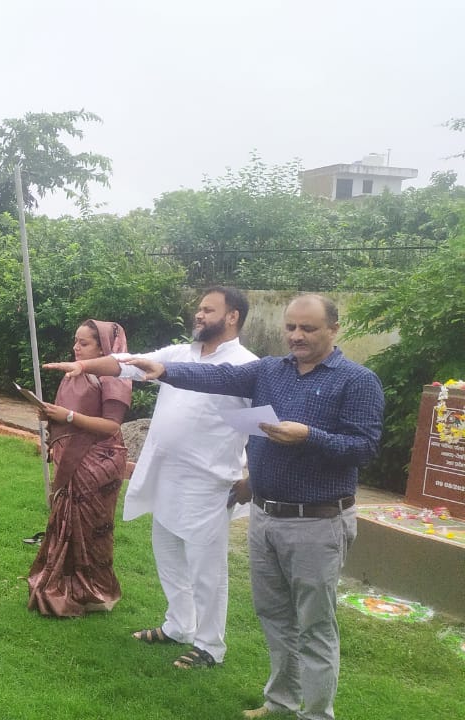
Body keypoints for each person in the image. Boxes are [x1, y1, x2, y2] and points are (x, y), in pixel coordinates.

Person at [123, 294, 383, 720]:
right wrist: (166, 369)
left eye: (308, 329)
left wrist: (309, 437)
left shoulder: (356, 381)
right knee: (276, 618)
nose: (296, 336)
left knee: (315, 626)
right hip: (266, 516)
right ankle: (280, 702)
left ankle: (317, 714)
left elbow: (365, 447)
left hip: (317, 522)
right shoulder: (270, 370)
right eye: (291, 327)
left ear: (334, 329)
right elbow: (220, 377)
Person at [45, 287, 257, 668]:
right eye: (198, 308)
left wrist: (253, 479)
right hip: (166, 474)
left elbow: (258, 429)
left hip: (208, 483)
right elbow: (128, 363)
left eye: (208, 310)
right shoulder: (179, 354)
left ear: (233, 317)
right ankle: (178, 625)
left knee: (206, 568)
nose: (199, 315)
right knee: (168, 555)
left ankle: (210, 646)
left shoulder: (245, 365)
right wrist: (85, 366)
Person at [27, 319, 132, 617]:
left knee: (90, 528)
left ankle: (94, 590)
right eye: (75, 341)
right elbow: (68, 415)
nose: (75, 347)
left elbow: (111, 425)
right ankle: (63, 582)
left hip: (98, 461)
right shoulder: (75, 373)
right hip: (72, 456)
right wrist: (52, 414)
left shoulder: (115, 377)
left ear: (103, 348)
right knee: (65, 522)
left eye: (83, 343)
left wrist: (68, 415)